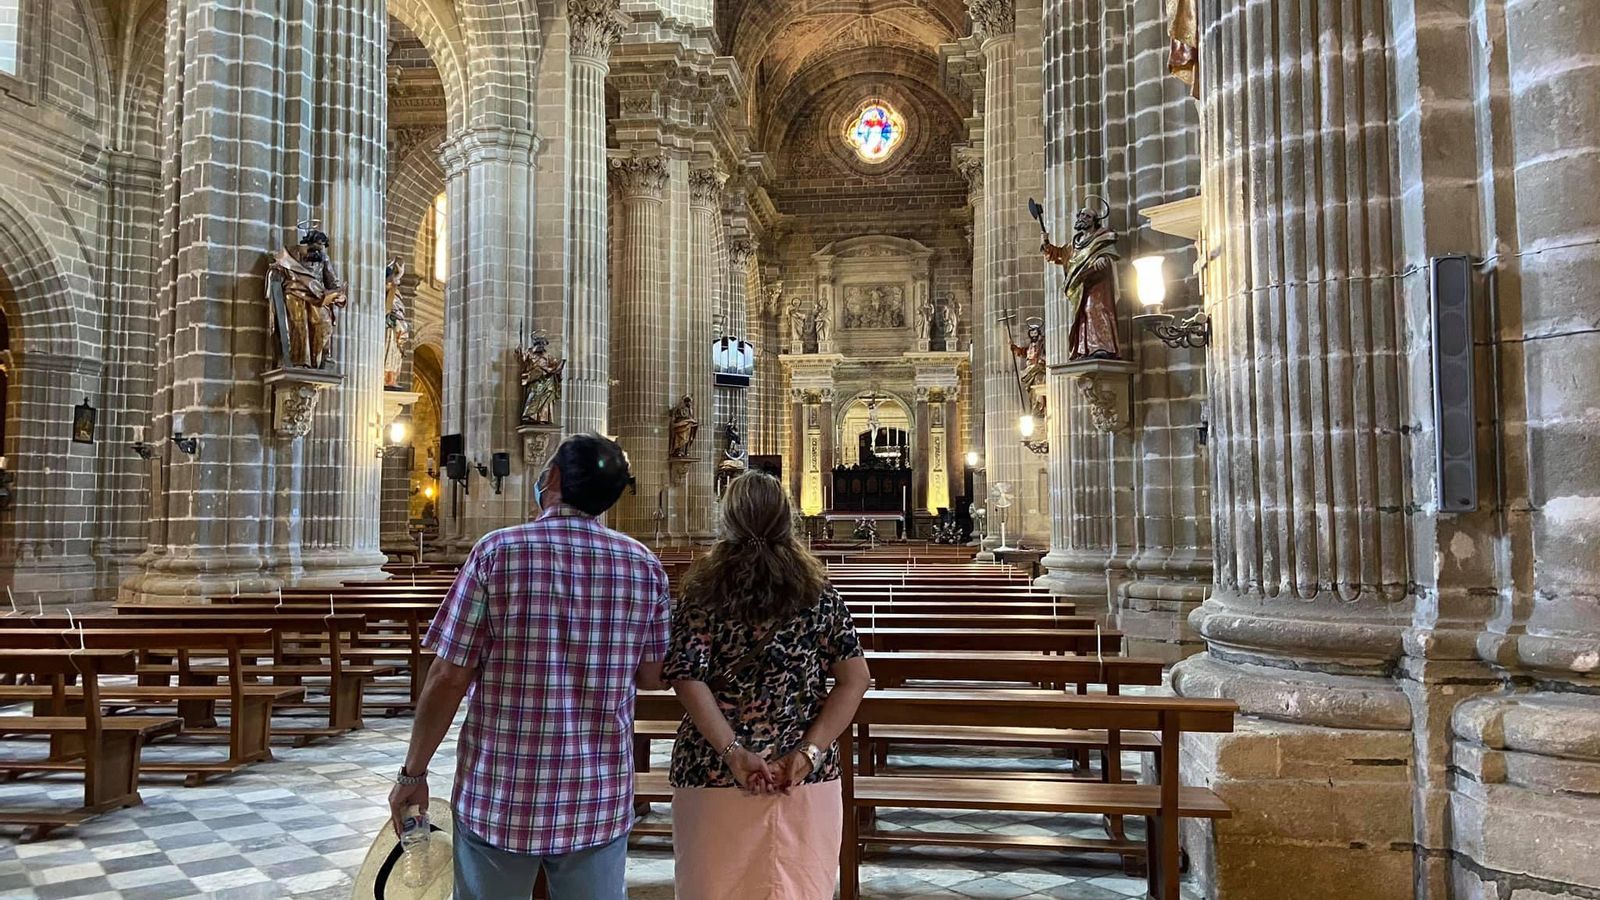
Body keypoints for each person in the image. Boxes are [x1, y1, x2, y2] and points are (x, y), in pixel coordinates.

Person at [388, 433, 667, 900]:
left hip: (502, 793)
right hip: (594, 793)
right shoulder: (643, 566)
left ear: (552, 477)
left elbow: (448, 675)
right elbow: (652, 676)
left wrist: (413, 774)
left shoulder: (498, 553)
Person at [664, 471, 871, 899]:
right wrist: (808, 754)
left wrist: (734, 753)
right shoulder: (818, 593)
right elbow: (855, 679)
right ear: (786, 519)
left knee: (713, 888)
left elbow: (687, 678)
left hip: (713, 770)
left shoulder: (702, 592)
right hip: (802, 776)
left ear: (728, 519)